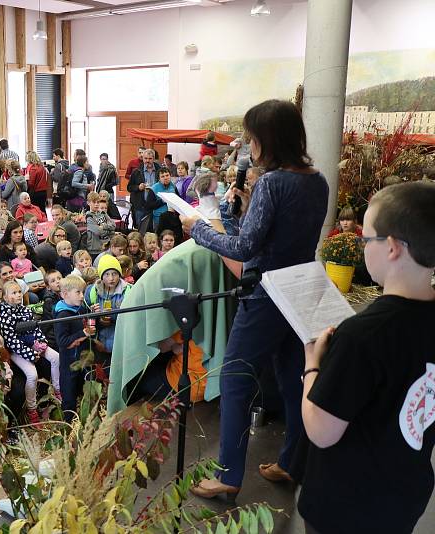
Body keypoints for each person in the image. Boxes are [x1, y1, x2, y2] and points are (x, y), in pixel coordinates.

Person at [180, 99, 329, 499]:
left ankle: (228, 475)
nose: (248, 145)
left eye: (250, 137)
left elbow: (246, 248)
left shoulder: (272, 182)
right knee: (292, 377)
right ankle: (291, 463)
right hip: (301, 287)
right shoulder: (316, 179)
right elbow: (277, 235)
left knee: (234, 379)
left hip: (266, 294)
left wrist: (198, 229)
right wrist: (242, 209)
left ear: (266, 139)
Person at [297, 181, 435, 534]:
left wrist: (312, 363)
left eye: (366, 239)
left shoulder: (362, 337)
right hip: (404, 495)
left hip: (347, 507)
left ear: (390, 248)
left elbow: (321, 431)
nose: (361, 248)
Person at [0, 280, 60, 424]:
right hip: (16, 350)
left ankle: (57, 390)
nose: (19, 295)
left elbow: (36, 329)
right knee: (32, 374)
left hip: (32, 343)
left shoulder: (26, 310)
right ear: (6, 298)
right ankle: (31, 409)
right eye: (14, 293)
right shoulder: (4, 317)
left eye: (19, 292)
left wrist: (42, 343)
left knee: (56, 357)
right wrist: (31, 355)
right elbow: (11, 341)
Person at [53, 275, 95, 419]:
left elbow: (87, 323)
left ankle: (88, 416)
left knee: (86, 385)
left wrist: (93, 315)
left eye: (82, 292)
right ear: (65, 294)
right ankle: (68, 422)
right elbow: (62, 341)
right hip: (69, 362)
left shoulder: (80, 308)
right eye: (78, 292)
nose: (82, 296)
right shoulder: (63, 315)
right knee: (69, 392)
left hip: (83, 357)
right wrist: (82, 333)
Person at [85, 255, 130, 354]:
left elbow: (132, 319)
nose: (111, 278)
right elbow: (85, 317)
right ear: (101, 276)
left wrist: (113, 317)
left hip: (120, 341)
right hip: (98, 340)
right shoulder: (91, 291)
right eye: (107, 274)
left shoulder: (129, 291)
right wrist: (94, 315)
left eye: (114, 274)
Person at [128, 149, 161, 226]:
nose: (147, 161)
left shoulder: (160, 171)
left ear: (154, 159)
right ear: (142, 158)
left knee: (154, 230)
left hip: (155, 206)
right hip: (140, 206)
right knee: (140, 230)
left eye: (150, 159)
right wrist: (138, 187)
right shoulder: (136, 172)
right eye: (145, 158)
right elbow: (129, 187)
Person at [85, 192, 116, 260]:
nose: (96, 204)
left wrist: (104, 227)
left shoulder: (102, 213)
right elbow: (98, 232)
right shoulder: (89, 217)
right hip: (95, 250)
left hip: (106, 246)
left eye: (98, 202)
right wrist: (109, 230)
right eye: (94, 202)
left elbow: (113, 225)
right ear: (88, 203)